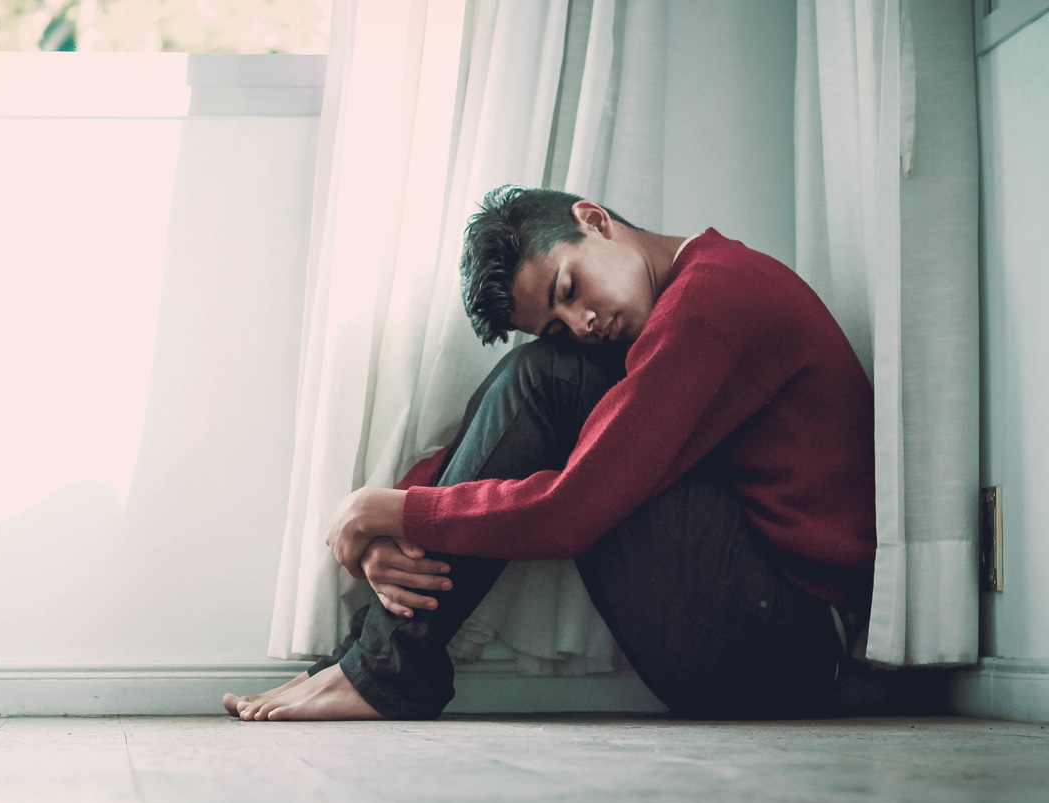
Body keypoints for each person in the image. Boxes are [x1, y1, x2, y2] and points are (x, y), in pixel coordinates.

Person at [222, 185, 875, 722]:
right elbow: (505, 438)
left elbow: (574, 509)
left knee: (548, 377)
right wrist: (387, 519)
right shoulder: (677, 305)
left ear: (594, 220)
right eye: (561, 319)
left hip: (786, 646)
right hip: (761, 622)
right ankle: (375, 661)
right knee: (545, 370)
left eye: (570, 287)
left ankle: (384, 670)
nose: (585, 323)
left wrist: (388, 512)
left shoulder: (712, 303)